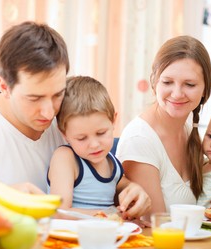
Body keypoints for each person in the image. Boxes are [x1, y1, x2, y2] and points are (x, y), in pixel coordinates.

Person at [0, 21, 149, 219]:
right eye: (35, 98)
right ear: (5, 87)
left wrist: (132, 190)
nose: (49, 113)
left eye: (58, 94)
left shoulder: (70, 125)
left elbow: (98, 180)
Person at [116, 35, 211, 220]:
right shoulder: (140, 140)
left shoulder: (189, 126)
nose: (177, 93)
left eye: (189, 84)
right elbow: (155, 226)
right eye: (167, 82)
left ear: (206, 88)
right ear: (154, 81)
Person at [47, 76, 149, 219]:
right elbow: (59, 211)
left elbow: (124, 185)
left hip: (104, 236)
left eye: (101, 133)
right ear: (64, 133)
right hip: (70, 238)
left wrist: (133, 194)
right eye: (82, 138)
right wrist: (110, 216)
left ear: (113, 121)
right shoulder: (66, 158)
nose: (94, 144)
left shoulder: (112, 163)